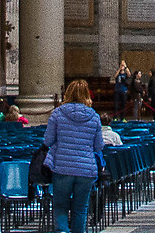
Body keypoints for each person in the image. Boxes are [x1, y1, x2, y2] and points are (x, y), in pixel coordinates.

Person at [45, 80, 105, 233]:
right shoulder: (94, 117)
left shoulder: (58, 114)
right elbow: (98, 146)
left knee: (60, 206)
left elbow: (48, 140)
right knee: (80, 209)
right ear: (87, 95)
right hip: (86, 168)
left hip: (62, 166)